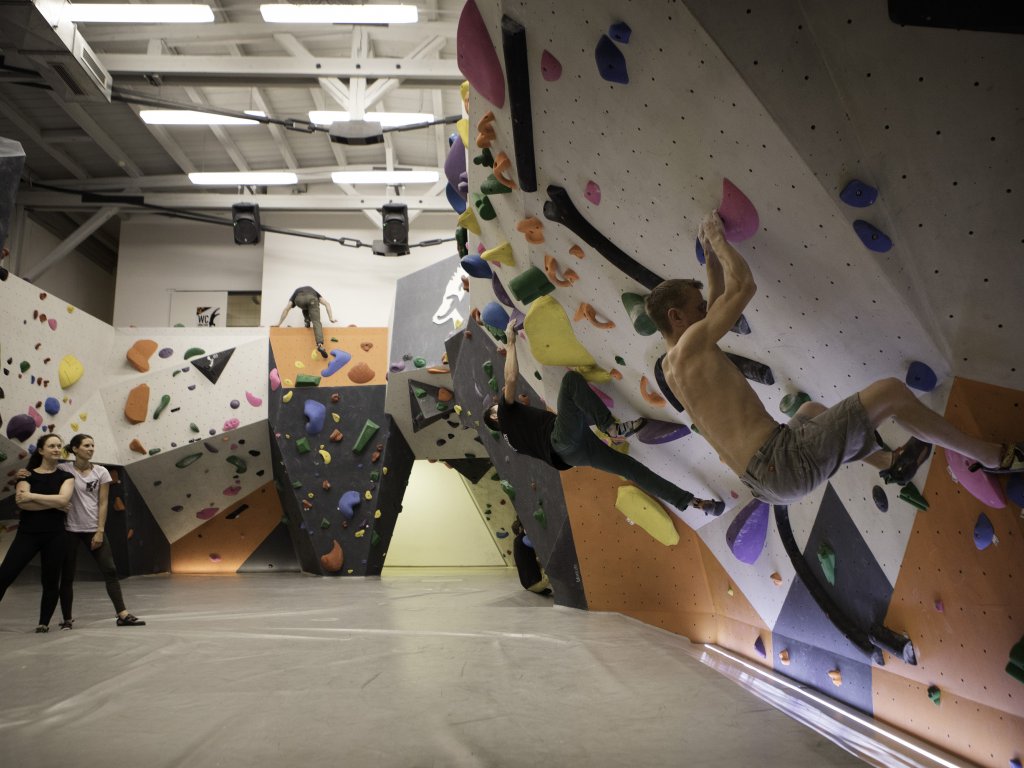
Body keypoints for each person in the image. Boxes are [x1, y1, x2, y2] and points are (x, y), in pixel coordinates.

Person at [645, 210, 1023, 506]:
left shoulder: (671, 365)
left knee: (810, 411)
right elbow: (743, 286)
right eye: (695, 309)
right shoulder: (693, 344)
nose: (704, 312)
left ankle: (891, 464)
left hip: (763, 483)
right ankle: (992, 456)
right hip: (782, 464)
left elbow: (714, 304)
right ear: (676, 318)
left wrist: (710, 258)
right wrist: (716, 237)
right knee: (891, 392)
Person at [483, 319, 724, 516]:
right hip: (561, 440)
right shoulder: (504, 412)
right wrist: (511, 340)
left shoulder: (512, 441)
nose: (500, 401)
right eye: (496, 405)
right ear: (496, 415)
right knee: (570, 382)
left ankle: (695, 503)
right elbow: (511, 378)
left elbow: (532, 429)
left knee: (630, 469)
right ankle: (610, 427)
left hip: (572, 455)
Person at [17, 435, 145, 628]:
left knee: (110, 570)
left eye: (93, 445)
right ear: (75, 449)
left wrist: (100, 530)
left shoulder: (101, 472)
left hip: (93, 528)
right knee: (67, 576)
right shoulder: (63, 469)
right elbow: (42, 473)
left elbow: (103, 502)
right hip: (68, 530)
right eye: (86, 445)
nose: (91, 448)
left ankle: (122, 614)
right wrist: (23, 474)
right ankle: (67, 619)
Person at [0, 434, 74, 632]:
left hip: (55, 535)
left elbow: (63, 500)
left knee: (50, 581)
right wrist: (55, 503)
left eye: (59, 445)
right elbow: (21, 502)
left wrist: (32, 496)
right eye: (52, 446)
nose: (57, 449)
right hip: (28, 535)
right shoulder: (27, 475)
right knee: (4, 575)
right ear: (41, 450)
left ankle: (43, 623)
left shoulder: (66, 476)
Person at [275, 286, 337, 358]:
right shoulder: (314, 292)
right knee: (316, 322)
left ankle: (307, 321)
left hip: (299, 300)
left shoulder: (296, 291)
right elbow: (327, 304)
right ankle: (319, 345)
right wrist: (331, 318)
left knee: (305, 307)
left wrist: (279, 323)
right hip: (312, 299)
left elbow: (286, 309)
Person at [510, 518, 551, 596]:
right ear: (521, 528)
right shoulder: (522, 539)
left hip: (527, 584)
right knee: (552, 566)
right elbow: (539, 546)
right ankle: (539, 587)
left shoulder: (517, 541)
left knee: (538, 560)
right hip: (535, 584)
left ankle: (539, 588)